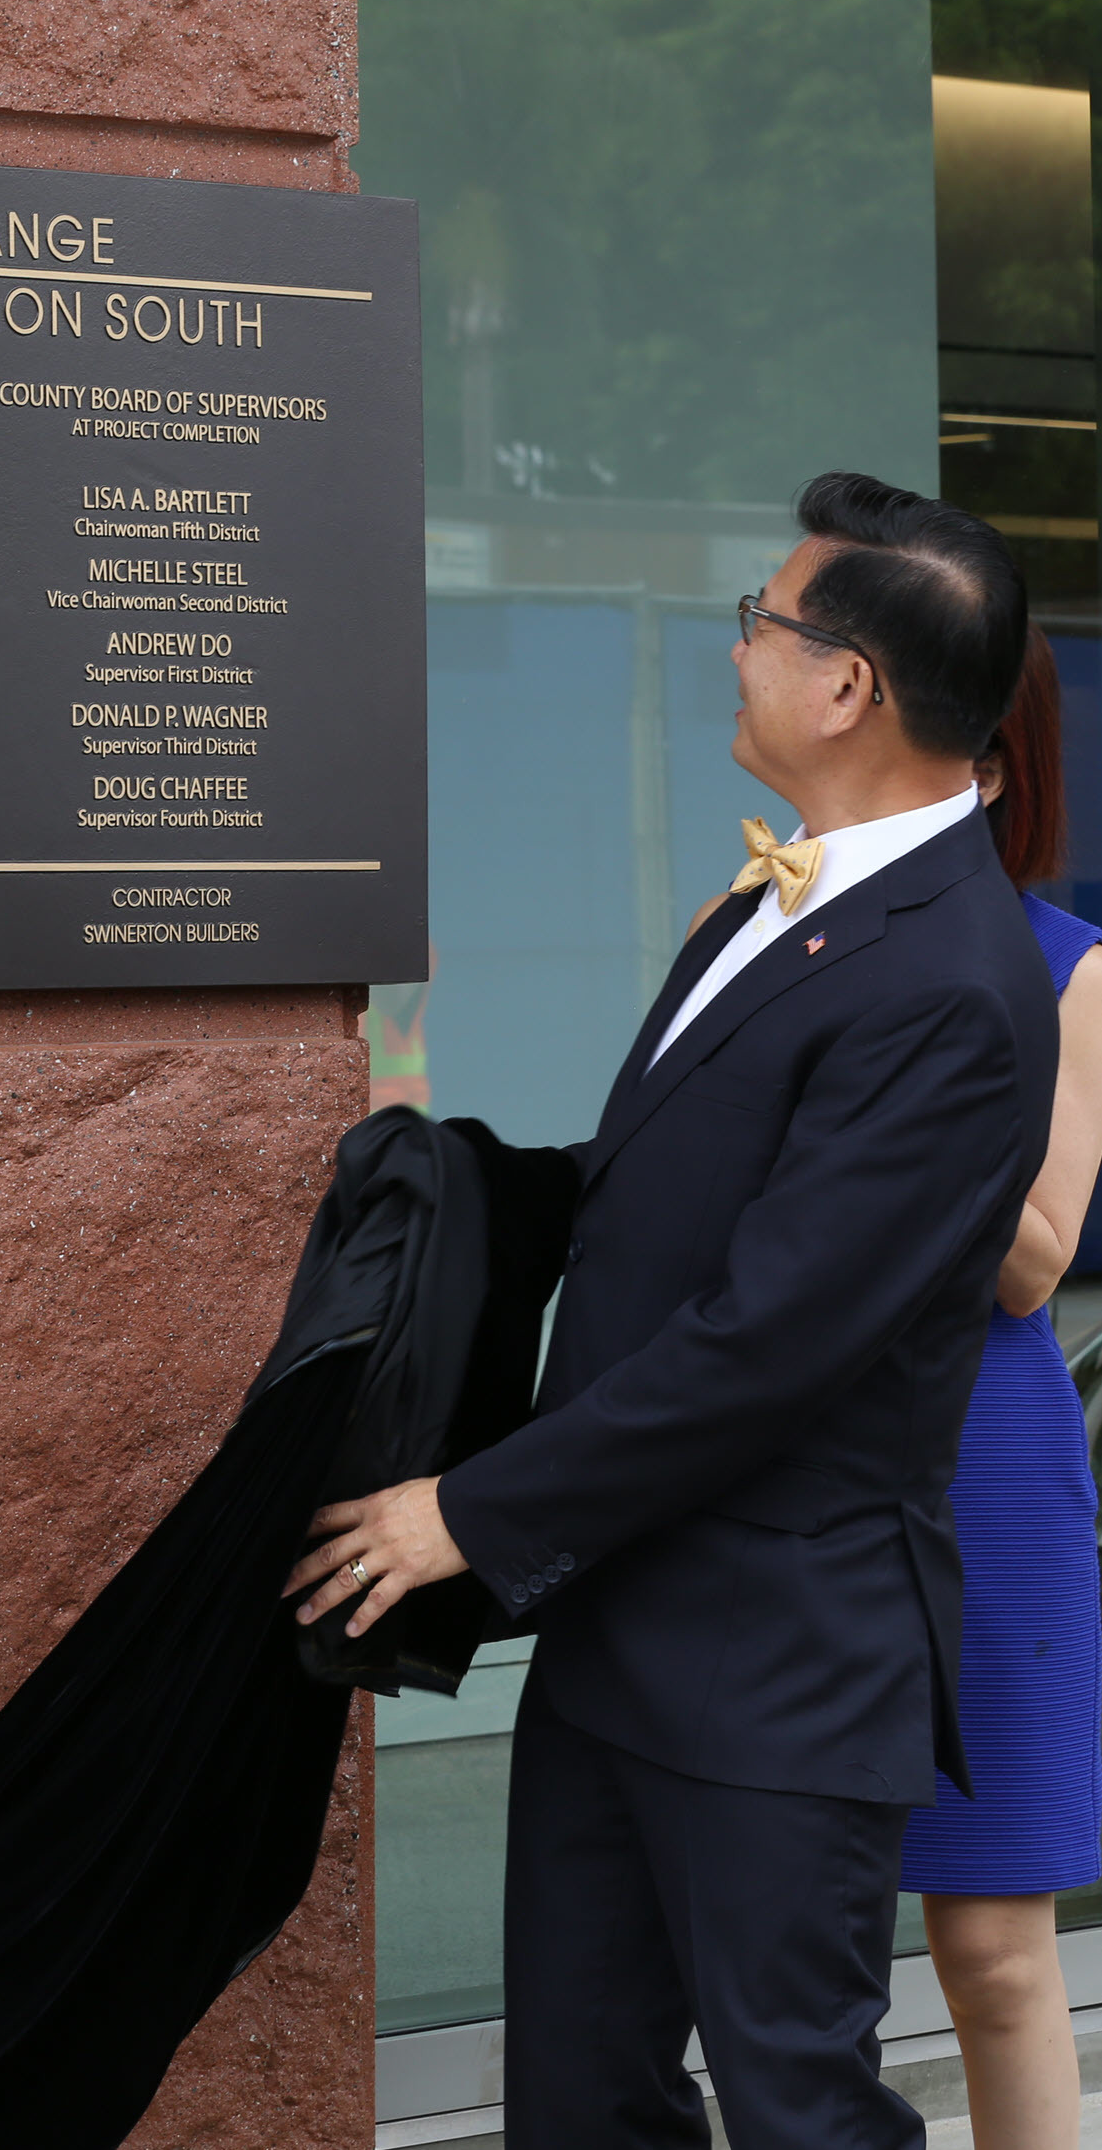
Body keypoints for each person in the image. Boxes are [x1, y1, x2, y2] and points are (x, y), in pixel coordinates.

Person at [286, 473, 1055, 2147]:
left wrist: (462, 1513)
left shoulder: (952, 981)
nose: (735, 656)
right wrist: (435, 1196)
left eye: (759, 624)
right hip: (619, 1631)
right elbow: (660, 1193)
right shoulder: (790, 900)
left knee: (798, 2109)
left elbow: (769, 1339)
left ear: (845, 684)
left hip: (777, 1668)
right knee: (582, 2099)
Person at [900, 628, 1102, 2150]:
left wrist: (887, 1092)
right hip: (795, 1458)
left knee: (990, 1953)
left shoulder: (1066, 963)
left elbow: (1032, 1262)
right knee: (794, 1936)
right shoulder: (763, 924)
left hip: (986, 1471)